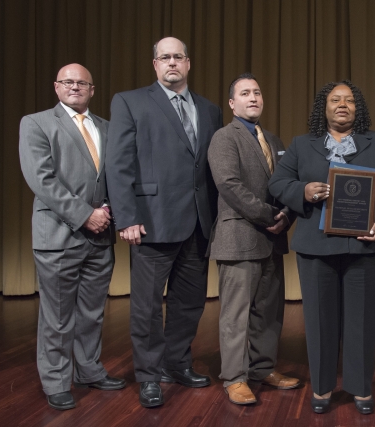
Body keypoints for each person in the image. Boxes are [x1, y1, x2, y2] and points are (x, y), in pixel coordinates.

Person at [269, 80, 375, 415]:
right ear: (325, 107)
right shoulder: (301, 145)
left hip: (365, 246)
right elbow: (278, 182)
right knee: (319, 320)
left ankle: (361, 388)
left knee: (362, 320)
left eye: (349, 100)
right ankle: (321, 388)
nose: (343, 105)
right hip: (316, 248)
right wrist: (302, 191)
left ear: (357, 108)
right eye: (336, 100)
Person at [106, 37, 223, 408]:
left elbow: (210, 170)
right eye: (164, 57)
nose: (171, 62)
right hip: (151, 222)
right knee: (146, 307)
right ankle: (149, 374)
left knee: (189, 303)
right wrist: (126, 216)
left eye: (178, 57)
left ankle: (177, 364)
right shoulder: (130, 101)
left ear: (188, 63)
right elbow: (118, 163)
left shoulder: (210, 110)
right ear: (155, 65)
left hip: (199, 224)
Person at [19, 64, 125, 411]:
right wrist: (85, 215)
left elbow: (115, 178)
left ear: (92, 90)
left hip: (100, 236)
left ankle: (89, 370)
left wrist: (109, 210)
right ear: (56, 87)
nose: (75, 87)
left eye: (82, 83)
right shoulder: (36, 123)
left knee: (92, 313)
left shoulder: (108, 129)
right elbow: (42, 180)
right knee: (59, 315)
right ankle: (55, 380)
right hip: (60, 235)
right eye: (68, 82)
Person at [207, 73, 300, 405]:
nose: (253, 98)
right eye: (245, 93)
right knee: (237, 313)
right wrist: (269, 216)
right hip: (241, 235)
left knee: (269, 311)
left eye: (257, 92)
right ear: (232, 103)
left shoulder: (273, 139)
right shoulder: (223, 137)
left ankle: (263, 369)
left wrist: (287, 214)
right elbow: (230, 185)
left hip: (273, 238)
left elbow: (289, 182)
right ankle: (234, 377)